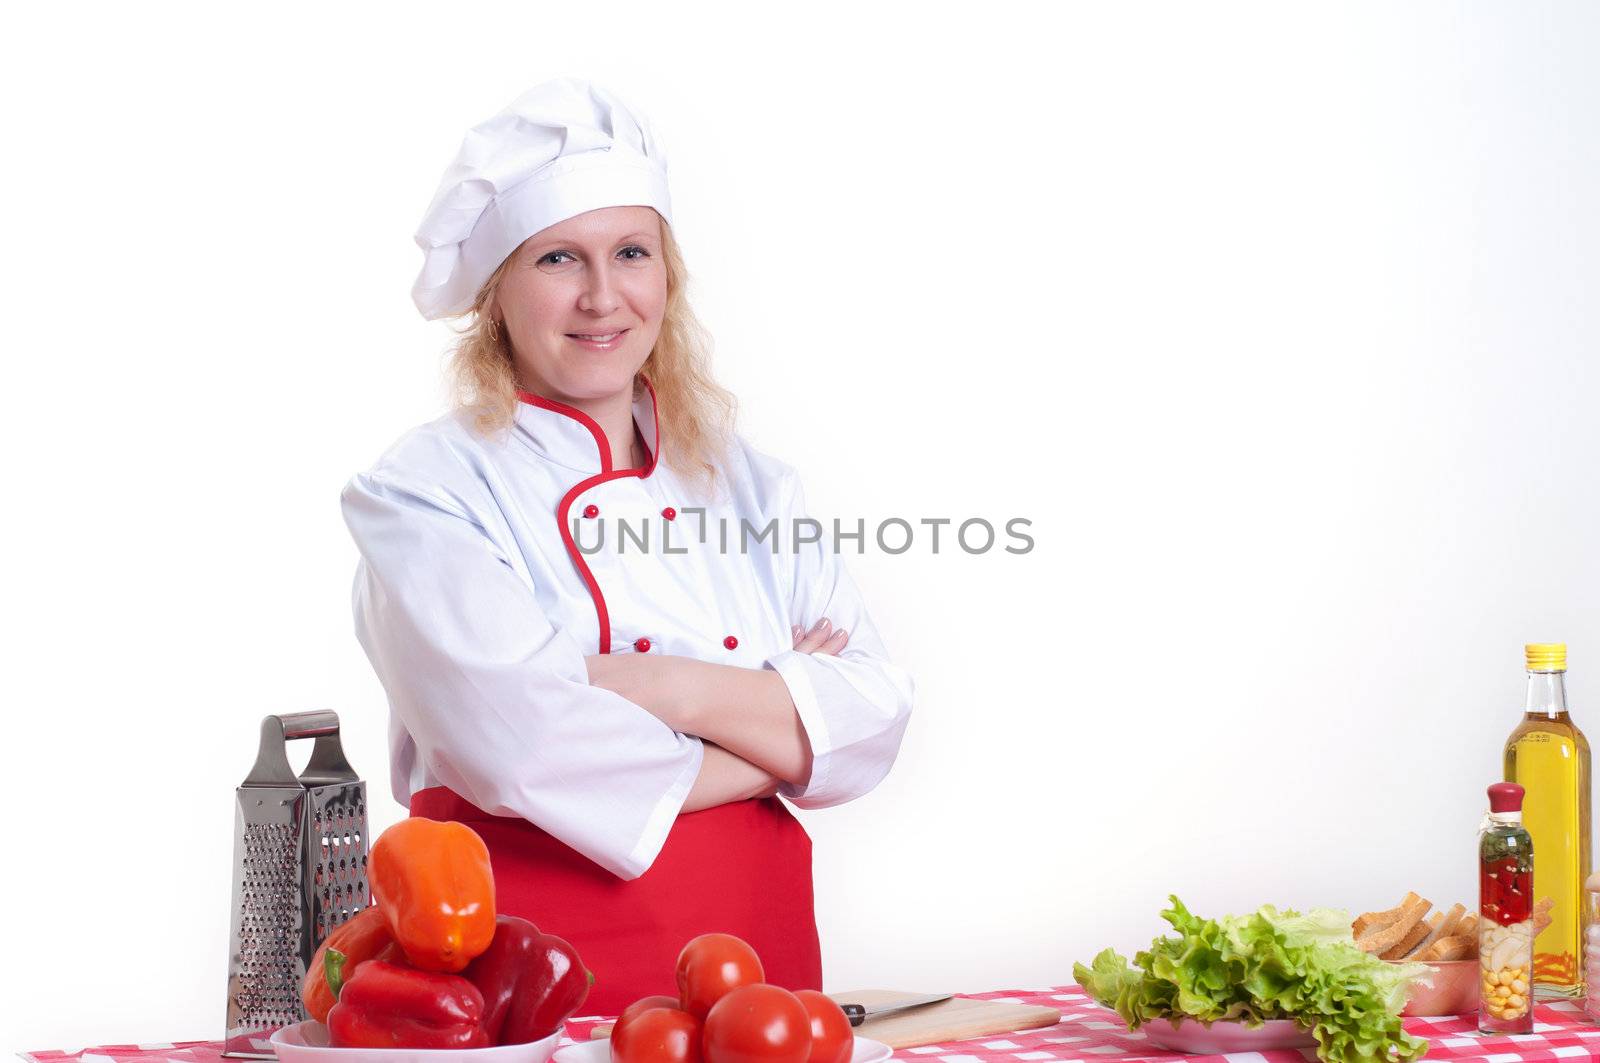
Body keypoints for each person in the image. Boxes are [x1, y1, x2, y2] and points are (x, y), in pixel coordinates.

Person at [340, 77, 914, 1014]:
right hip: (540, 973)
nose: (603, 296)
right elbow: (526, 746)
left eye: (632, 253)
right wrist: (782, 725)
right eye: (560, 258)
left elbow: (878, 708)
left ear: (668, 277)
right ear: (497, 294)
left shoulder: (751, 485)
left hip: (765, 972)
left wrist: (657, 687)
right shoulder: (426, 494)